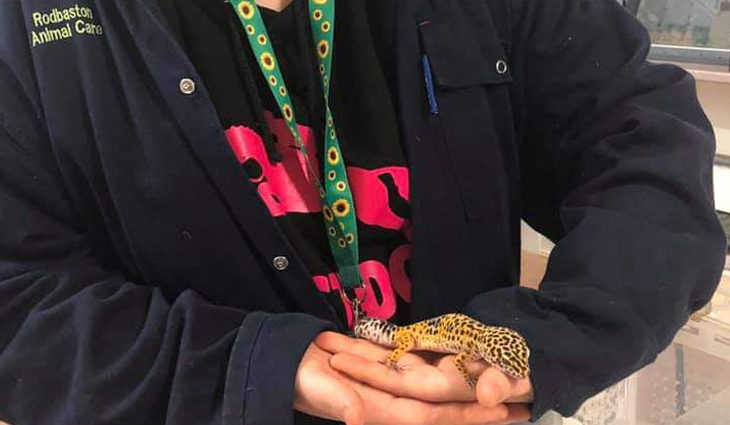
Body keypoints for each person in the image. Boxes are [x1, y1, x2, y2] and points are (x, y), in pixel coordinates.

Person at [0, 0, 726, 424]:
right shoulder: (30, 31)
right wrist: (250, 366)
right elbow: (19, 303)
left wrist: (542, 340)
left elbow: (643, 147)